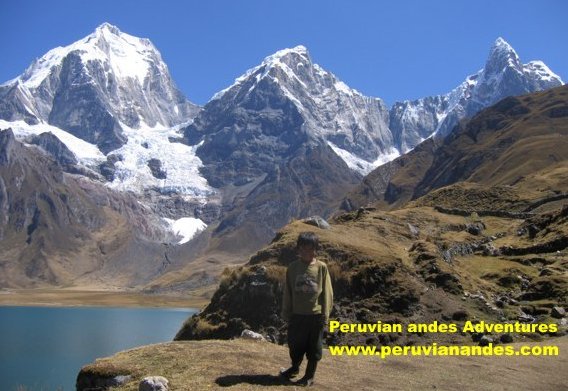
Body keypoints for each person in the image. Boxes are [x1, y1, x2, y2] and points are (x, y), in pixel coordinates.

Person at [280, 231, 333, 387]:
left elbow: (327, 292)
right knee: (295, 345)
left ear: (315, 249)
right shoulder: (293, 268)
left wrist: (326, 314)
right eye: (303, 248)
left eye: (310, 248)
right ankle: (294, 368)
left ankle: (309, 376)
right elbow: (288, 292)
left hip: (315, 316)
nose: (306, 252)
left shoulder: (321, 268)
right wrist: (286, 312)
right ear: (298, 249)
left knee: (314, 348)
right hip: (297, 316)